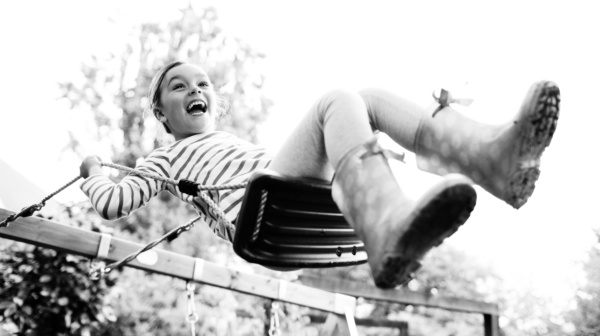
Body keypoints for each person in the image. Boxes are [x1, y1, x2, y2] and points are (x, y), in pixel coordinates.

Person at [80, 61, 561, 288]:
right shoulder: (163, 160)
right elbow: (111, 203)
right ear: (163, 115)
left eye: (202, 82)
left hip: (293, 197)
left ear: (214, 100)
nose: (194, 88)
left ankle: (490, 160)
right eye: (177, 86)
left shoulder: (232, 143)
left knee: (364, 97)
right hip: (262, 212)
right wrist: (92, 172)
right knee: (336, 99)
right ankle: (387, 223)